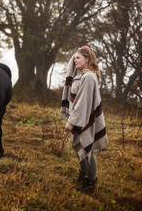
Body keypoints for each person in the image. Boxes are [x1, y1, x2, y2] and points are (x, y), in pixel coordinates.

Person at [60, 46, 108, 193]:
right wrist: (79, 50)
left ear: (87, 59)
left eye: (78, 58)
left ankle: (91, 181)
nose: (75, 61)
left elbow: (82, 103)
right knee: (78, 146)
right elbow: (71, 65)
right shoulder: (81, 74)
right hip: (78, 116)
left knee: (87, 149)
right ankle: (85, 174)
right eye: (74, 58)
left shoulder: (88, 77)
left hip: (84, 118)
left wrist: (71, 122)